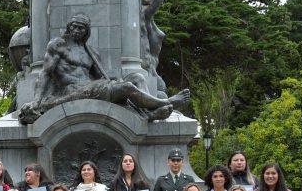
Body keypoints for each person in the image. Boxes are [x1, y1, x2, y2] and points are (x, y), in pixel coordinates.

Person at [19, 13, 189, 124]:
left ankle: (147, 114)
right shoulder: (59, 45)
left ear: (87, 31)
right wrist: (36, 101)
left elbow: (101, 77)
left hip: (92, 88)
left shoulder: (90, 51)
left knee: (137, 78)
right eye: (74, 26)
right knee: (127, 87)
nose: (77, 30)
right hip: (70, 93)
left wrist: (115, 82)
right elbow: (45, 74)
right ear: (69, 27)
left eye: (81, 28)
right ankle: (166, 102)